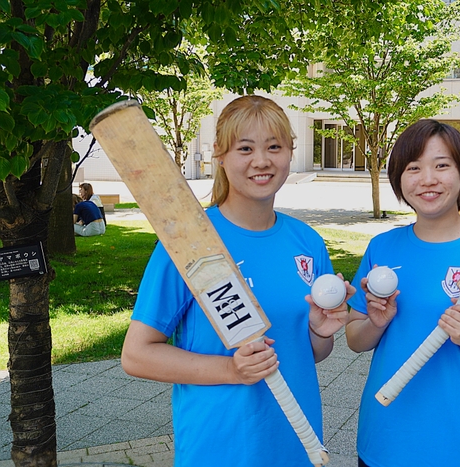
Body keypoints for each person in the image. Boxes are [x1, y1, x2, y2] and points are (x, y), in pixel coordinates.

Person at [120, 95, 354, 467]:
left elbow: (312, 354)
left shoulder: (307, 242)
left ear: (290, 152)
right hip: (220, 444)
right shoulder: (189, 241)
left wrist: (321, 332)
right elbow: (136, 355)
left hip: (296, 440)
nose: (261, 161)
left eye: (274, 147)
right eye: (245, 148)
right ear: (220, 154)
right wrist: (231, 369)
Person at [346, 119, 460, 467]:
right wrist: (376, 322)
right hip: (384, 437)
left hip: (459, 444)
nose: (427, 179)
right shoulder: (382, 247)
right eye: (413, 168)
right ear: (399, 179)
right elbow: (355, 340)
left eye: (441, 165)